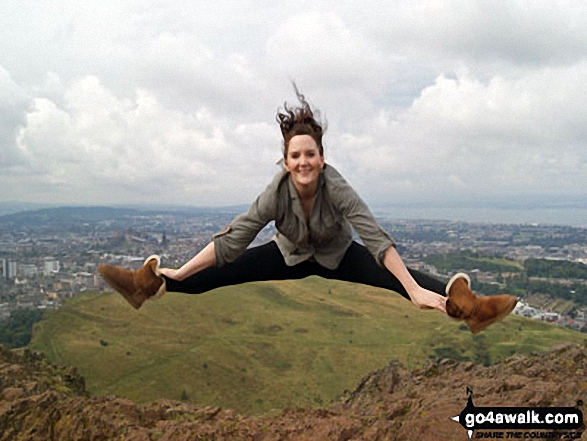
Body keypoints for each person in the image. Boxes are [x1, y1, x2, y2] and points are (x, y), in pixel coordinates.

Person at [98, 86, 517, 334]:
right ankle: (146, 286)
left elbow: (374, 239)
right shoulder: (276, 191)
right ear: (286, 160)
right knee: (212, 276)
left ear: (321, 156)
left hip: (339, 257)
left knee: (422, 285)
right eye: (295, 156)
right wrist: (181, 271)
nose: (303, 162)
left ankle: (473, 311)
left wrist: (412, 291)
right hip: (290, 255)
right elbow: (236, 237)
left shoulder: (337, 188)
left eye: (310, 154)